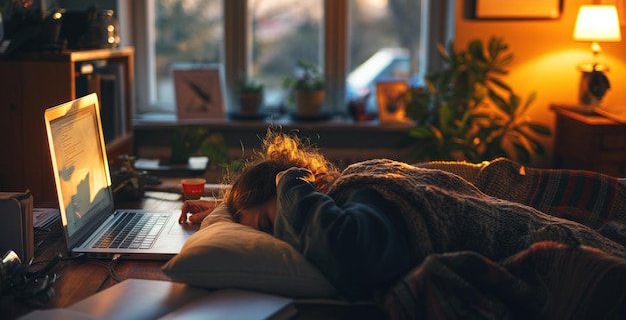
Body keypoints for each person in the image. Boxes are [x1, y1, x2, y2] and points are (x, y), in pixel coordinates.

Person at [179, 129, 626, 317]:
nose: (277, 236)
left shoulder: (363, 193)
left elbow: (353, 256)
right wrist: (219, 209)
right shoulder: (348, 193)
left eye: (269, 225)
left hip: (566, 248)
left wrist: (288, 182)